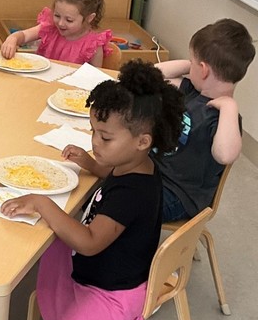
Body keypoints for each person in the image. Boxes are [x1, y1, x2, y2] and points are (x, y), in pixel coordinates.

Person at [1, 61, 185, 320]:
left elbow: (88, 243)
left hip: (116, 292)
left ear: (142, 141)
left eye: (104, 137)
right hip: (104, 272)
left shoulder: (132, 194)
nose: (94, 142)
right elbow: (113, 175)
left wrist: (42, 203)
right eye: (92, 133)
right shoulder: (137, 165)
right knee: (47, 248)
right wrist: (92, 163)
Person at [64, 19, 256, 222]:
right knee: (102, 194)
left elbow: (226, 155)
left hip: (178, 194)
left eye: (192, 61)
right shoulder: (191, 90)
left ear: (204, 69)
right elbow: (151, 76)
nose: (188, 66)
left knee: (115, 204)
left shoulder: (225, 117)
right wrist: (187, 65)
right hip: (150, 172)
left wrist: (230, 107)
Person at [0, 0, 113, 67]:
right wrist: (13, 39)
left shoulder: (93, 45)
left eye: (69, 20)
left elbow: (96, 80)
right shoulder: (50, 28)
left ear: (89, 18)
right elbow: (24, 35)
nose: (60, 23)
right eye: (57, 15)